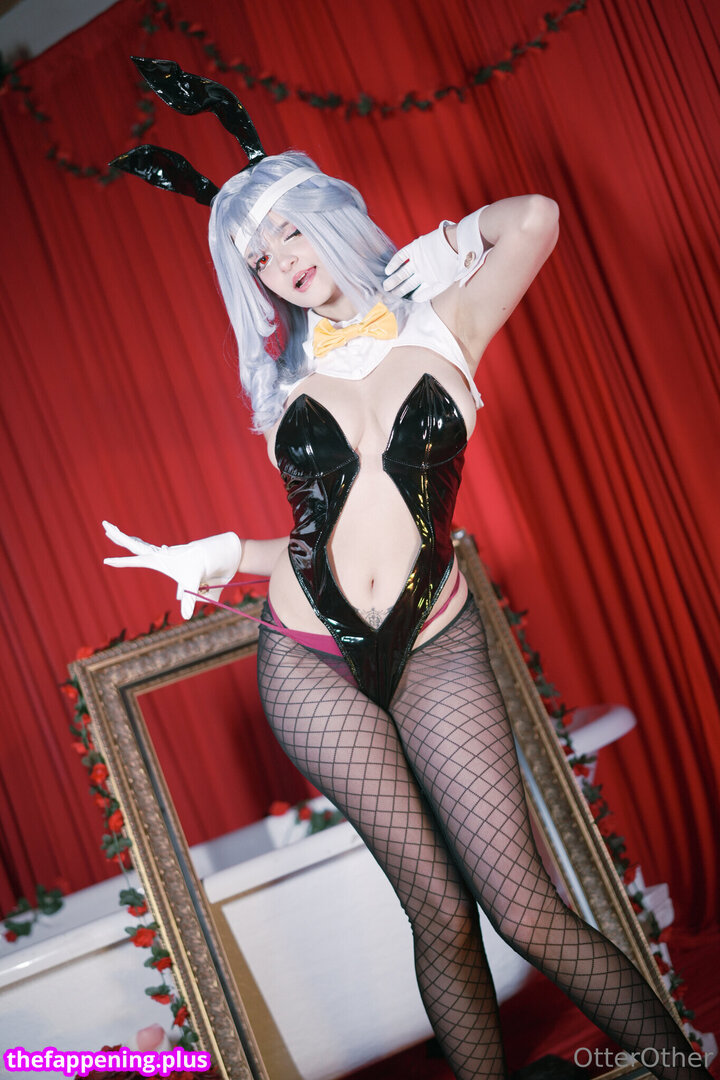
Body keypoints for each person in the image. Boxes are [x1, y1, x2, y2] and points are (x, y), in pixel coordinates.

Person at [104, 61, 712, 1080]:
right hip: (309, 662)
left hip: (436, 642)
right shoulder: (284, 384)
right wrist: (226, 553)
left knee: (523, 905)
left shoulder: (444, 320)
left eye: (290, 231)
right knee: (438, 911)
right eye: (258, 256)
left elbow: (538, 219)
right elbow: (326, 540)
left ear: (327, 214)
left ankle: (681, 1066)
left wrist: (455, 240)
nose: (282, 261)